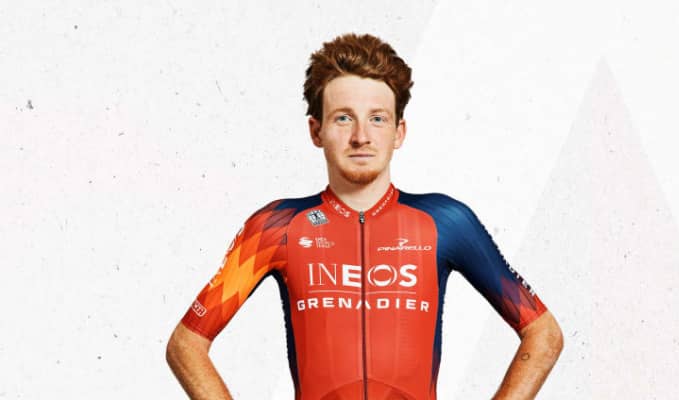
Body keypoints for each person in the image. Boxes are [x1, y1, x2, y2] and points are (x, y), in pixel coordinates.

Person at [166, 32, 563, 400]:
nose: (361, 136)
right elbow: (187, 344)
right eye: (343, 118)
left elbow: (543, 333)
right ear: (316, 131)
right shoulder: (276, 226)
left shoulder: (446, 222)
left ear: (399, 132)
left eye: (377, 118)